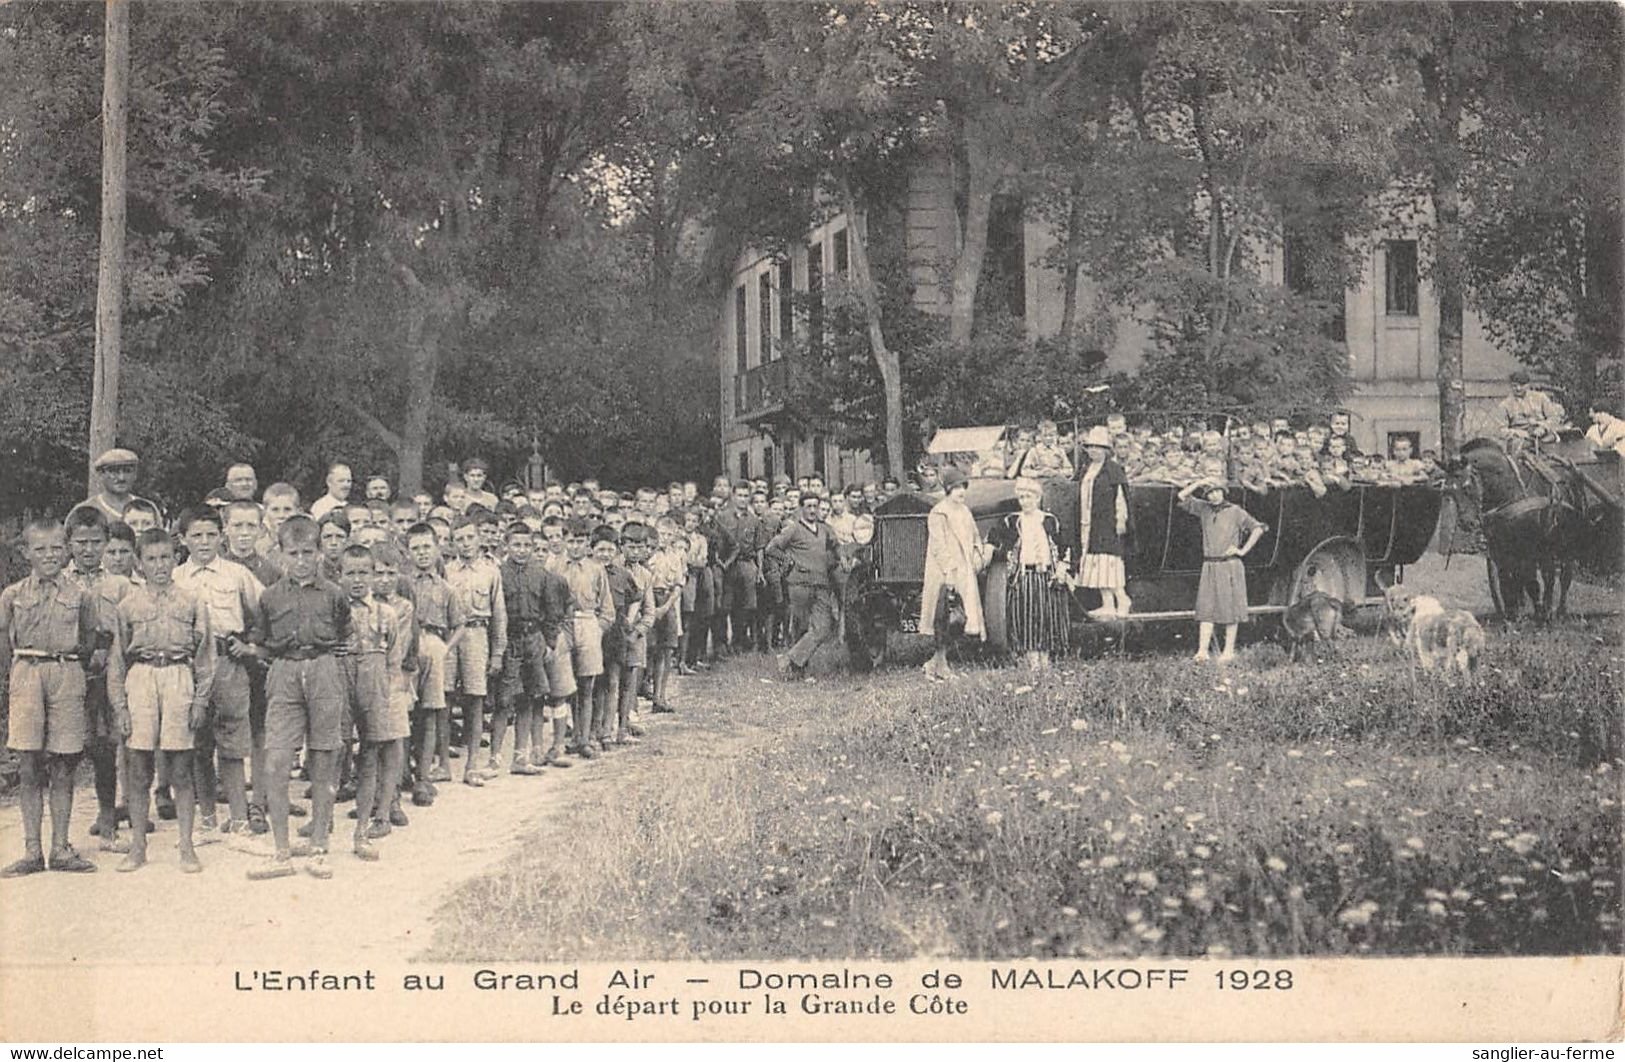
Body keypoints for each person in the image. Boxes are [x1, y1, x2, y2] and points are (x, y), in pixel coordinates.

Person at [241, 515, 350, 881]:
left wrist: (330, 669)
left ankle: (320, 847)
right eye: (293, 553)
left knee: (323, 759)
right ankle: (281, 851)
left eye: (308, 552)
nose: (301, 560)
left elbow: (344, 632)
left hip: (323, 669)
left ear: (319, 552)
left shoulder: (335, 593)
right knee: (277, 761)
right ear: (281, 554)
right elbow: (260, 637)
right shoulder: (270, 596)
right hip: (285, 672)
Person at [106, 529, 215, 873]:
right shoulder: (128, 605)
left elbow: (206, 656)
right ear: (139, 563)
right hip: (141, 678)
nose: (159, 566)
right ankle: (138, 846)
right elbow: (117, 661)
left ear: (175, 558)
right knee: (138, 767)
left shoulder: (191, 600)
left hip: (178, 677)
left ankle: (186, 845)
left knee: (181, 767)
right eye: (151, 559)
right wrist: (120, 707)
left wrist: (199, 701)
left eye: (165, 557)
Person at [0, 520, 101, 876]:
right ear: (25, 552)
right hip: (27, 671)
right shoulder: (12, 595)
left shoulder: (80, 595)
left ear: (67, 549)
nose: (49, 556)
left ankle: (60, 847)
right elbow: (4, 643)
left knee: (64, 760)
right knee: (28, 762)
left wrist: (68, 667)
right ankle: (31, 850)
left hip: (66, 672)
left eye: (57, 548)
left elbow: (88, 641)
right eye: (40, 549)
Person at [174, 507, 264, 839]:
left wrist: (249, 644)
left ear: (221, 536)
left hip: (229, 663)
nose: (204, 541)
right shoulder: (175, 578)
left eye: (211, 534)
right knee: (197, 743)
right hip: (190, 668)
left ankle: (239, 819)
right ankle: (208, 818)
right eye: (196, 535)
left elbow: (262, 614)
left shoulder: (236, 574)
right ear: (183, 539)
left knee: (232, 741)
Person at [334, 544, 397, 863]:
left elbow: (394, 659)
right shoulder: (334, 609)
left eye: (363, 573)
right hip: (341, 677)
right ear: (340, 575)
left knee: (371, 751)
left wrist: (384, 689)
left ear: (373, 575)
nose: (357, 580)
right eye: (350, 573)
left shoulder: (386, 613)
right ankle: (322, 824)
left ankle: (362, 828)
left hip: (374, 682)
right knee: (334, 749)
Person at [443, 516, 506, 786]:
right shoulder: (447, 571)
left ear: (480, 540)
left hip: (478, 634)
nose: (466, 544)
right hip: (450, 635)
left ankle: (472, 765)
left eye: (470, 538)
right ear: (452, 542)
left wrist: (497, 653)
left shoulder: (490, 572)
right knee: (443, 697)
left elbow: (499, 616)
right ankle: (443, 765)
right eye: (460, 539)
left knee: (475, 698)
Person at [405, 522, 465, 800]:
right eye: (415, 548)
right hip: (406, 647)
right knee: (404, 711)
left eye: (427, 547)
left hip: (434, 645)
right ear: (408, 552)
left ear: (437, 548)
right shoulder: (401, 584)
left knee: (430, 711)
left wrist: (445, 649)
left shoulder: (446, 588)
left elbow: (460, 625)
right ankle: (402, 772)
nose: (422, 553)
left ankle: (424, 777)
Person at [1177, 480, 1267, 664]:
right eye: (1209, 493)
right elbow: (1181, 496)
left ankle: (1228, 651)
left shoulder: (1235, 511)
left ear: (1223, 492)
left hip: (1229, 565)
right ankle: (1202, 651)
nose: (1213, 495)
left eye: (1217, 491)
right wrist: (1200, 482)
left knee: (1230, 608)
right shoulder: (1204, 509)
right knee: (1206, 608)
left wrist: (1242, 551)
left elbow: (1258, 528)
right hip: (1210, 565)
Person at [770, 492, 850, 680]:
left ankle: (788, 659)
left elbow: (836, 545)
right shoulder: (793, 529)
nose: (813, 510)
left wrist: (842, 558)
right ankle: (799, 672)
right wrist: (788, 562)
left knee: (823, 627)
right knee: (801, 627)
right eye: (808, 506)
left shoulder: (825, 529)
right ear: (801, 508)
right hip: (800, 584)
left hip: (821, 584)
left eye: (816, 506)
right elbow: (772, 548)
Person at [918, 468, 987, 682]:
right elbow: (938, 546)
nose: (960, 492)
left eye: (963, 487)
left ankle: (933, 664)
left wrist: (978, 553)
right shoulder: (938, 513)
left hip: (964, 570)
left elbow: (975, 536)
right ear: (947, 489)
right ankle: (942, 665)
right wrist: (948, 571)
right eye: (956, 487)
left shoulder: (964, 511)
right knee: (943, 618)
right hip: (944, 572)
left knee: (961, 619)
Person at [367, 543, 415, 835]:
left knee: (394, 739)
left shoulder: (403, 607)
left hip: (392, 677)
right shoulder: (360, 602)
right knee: (369, 743)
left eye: (390, 573)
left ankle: (391, 801)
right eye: (378, 573)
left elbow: (401, 646)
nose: (384, 579)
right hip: (366, 680)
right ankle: (372, 799)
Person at [998, 478, 1070, 669]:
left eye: (1029, 497)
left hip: (1047, 578)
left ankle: (1045, 662)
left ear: (1038, 498)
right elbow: (998, 543)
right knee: (1028, 618)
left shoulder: (1049, 521)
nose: (1025, 501)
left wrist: (1061, 570)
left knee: (1048, 618)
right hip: (1025, 578)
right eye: (1021, 497)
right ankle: (1032, 663)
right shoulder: (1013, 521)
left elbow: (1064, 547)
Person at [558, 516, 614, 759]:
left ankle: (586, 738)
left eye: (580, 542)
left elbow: (607, 608)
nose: (575, 546)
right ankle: (569, 736)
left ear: (587, 543)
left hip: (588, 623)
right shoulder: (555, 566)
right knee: (565, 684)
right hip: (562, 626)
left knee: (587, 685)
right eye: (570, 541)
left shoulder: (596, 569)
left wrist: (597, 629)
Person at [1076, 426, 1132, 619]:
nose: (1093, 451)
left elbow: (1120, 497)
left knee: (1108, 561)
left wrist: (1121, 519)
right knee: (1097, 564)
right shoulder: (1087, 469)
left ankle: (1122, 599)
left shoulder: (1113, 469)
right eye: (1090, 447)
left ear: (1106, 450)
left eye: (1098, 447)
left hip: (1107, 522)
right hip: (1089, 522)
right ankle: (1107, 603)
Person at [73, 448, 158, 528]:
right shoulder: (85, 509)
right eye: (114, 471)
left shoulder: (147, 508)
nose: (121, 478)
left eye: (127, 471)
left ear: (135, 474)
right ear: (101, 475)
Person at [1496, 370, 1567, 444]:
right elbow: (1500, 430)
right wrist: (1523, 434)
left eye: (1522, 385)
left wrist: (1544, 427)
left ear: (1528, 385)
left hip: (1544, 435)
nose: (1518, 388)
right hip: (1520, 440)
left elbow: (1554, 417)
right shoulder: (1505, 405)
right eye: (1515, 385)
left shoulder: (1540, 397)